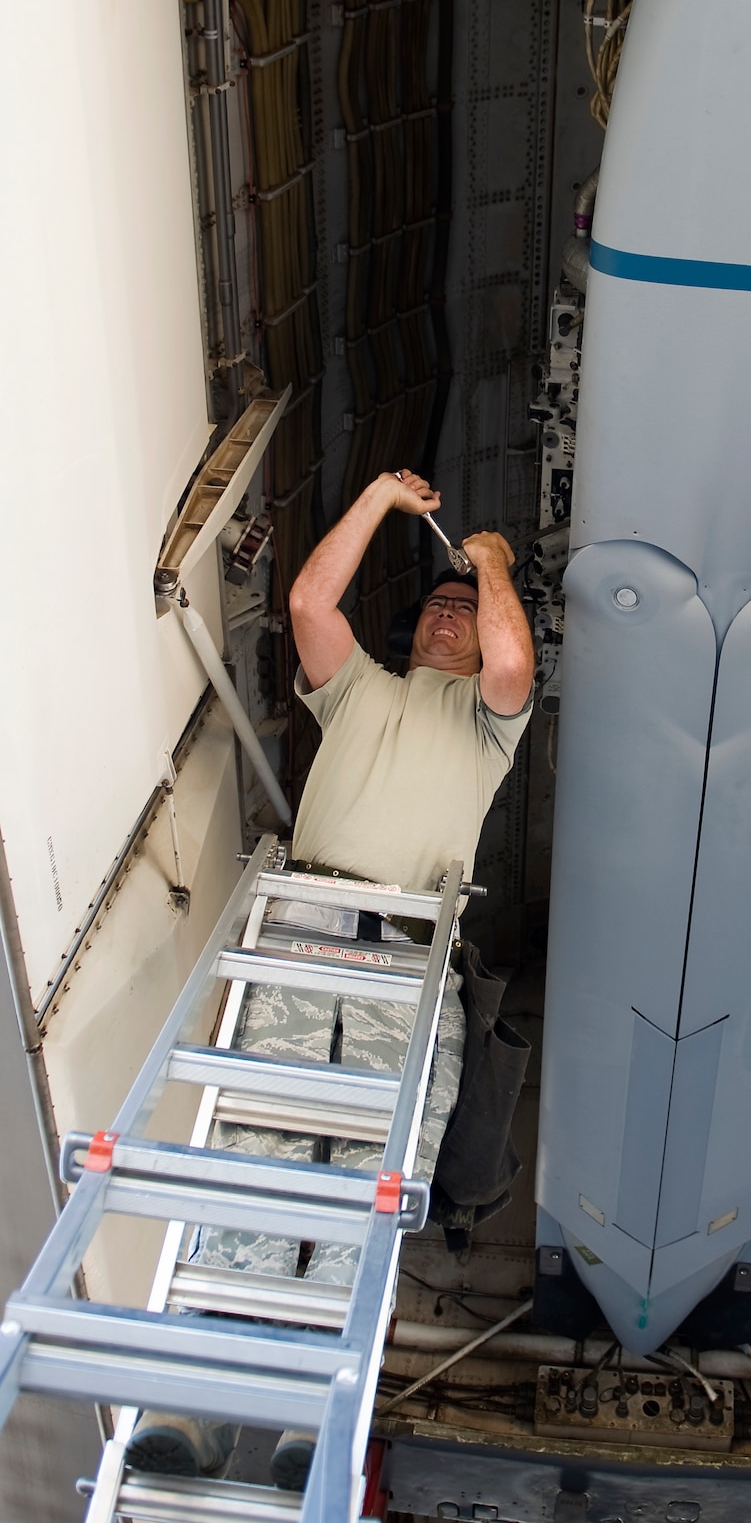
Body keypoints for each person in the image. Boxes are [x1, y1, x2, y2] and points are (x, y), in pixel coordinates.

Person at [127, 470, 535, 1489]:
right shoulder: (358, 686)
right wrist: (379, 499)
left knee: (366, 1190)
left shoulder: (491, 723)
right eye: (438, 604)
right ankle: (199, 1407)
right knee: (254, 1155)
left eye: (465, 608)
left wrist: (488, 559)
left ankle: (318, 1409)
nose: (453, 616)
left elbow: (518, 654)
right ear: (408, 633)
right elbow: (309, 603)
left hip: (413, 959)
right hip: (306, 935)